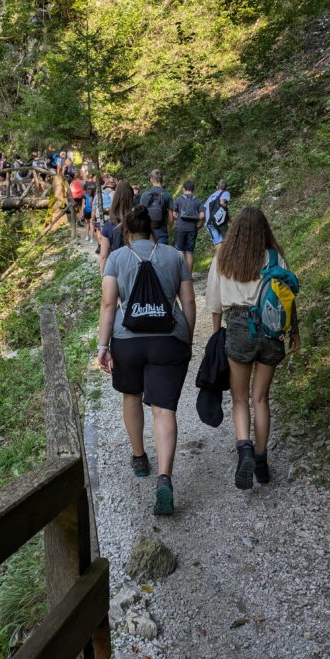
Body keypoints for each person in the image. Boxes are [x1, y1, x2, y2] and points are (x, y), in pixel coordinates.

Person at [98, 204, 196, 515]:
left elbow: (108, 304)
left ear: (126, 231)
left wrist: (103, 345)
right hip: (169, 340)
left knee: (131, 395)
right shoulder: (174, 257)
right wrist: (186, 337)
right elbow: (189, 300)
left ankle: (140, 457)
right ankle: (164, 477)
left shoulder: (117, 258)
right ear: (153, 229)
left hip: (128, 341)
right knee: (164, 409)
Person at [205, 207, 300, 490]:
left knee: (239, 398)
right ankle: (261, 460)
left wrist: (216, 335)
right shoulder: (274, 256)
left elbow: (214, 301)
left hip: (237, 326)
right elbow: (287, 296)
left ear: (235, 230)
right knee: (261, 398)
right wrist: (294, 330)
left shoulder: (224, 256)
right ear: (264, 230)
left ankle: (244, 448)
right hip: (271, 329)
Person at [99, 180, 135, 275]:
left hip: (116, 270)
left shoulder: (109, 224)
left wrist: (103, 276)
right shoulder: (137, 222)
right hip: (135, 269)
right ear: (131, 198)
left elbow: (103, 256)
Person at [171, 180, 204, 274]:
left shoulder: (179, 199)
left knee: (180, 250)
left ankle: (182, 275)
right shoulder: (198, 200)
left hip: (180, 227)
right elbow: (202, 216)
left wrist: (178, 220)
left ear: (184, 189)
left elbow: (174, 214)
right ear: (193, 189)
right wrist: (198, 225)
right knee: (189, 252)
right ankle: (189, 276)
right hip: (192, 228)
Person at [139, 170, 173, 244]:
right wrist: (169, 230)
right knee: (162, 254)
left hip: (147, 233)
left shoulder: (145, 195)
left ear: (151, 179)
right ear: (162, 179)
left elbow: (140, 215)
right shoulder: (167, 195)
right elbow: (171, 218)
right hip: (162, 232)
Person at [204, 178, 231, 248]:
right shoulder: (226, 193)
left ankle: (221, 258)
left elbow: (205, 208)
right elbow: (222, 202)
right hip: (220, 220)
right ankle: (229, 256)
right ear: (226, 187)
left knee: (218, 242)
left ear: (217, 187)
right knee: (227, 240)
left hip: (210, 222)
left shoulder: (211, 196)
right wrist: (229, 218)